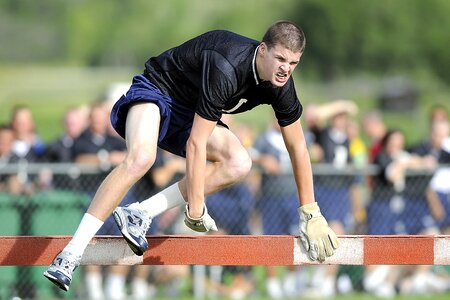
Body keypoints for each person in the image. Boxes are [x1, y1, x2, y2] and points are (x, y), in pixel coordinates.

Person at [44, 21, 339, 292]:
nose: (285, 69)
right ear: (263, 50)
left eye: (293, 63)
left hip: (190, 111)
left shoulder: (282, 86)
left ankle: (140, 213)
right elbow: (196, 144)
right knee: (141, 158)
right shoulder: (227, 66)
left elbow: (298, 148)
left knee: (239, 163)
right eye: (280, 59)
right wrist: (195, 207)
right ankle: (70, 254)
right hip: (158, 90)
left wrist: (310, 212)